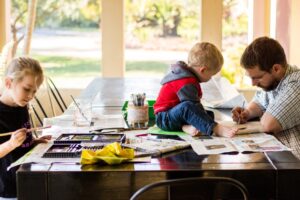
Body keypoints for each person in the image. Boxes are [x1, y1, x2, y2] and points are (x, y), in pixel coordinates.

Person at [231, 36, 300, 159]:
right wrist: (246, 113)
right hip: (282, 158)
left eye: (257, 77)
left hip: (294, 164)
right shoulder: (273, 82)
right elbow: (260, 101)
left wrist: (263, 115)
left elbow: (269, 125)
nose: (253, 83)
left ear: (276, 69)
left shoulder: (296, 84)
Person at [154, 42, 238, 137]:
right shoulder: (185, 81)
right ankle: (216, 129)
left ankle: (185, 127)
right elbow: (192, 107)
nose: (210, 79)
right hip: (164, 119)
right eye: (211, 75)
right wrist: (214, 125)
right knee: (189, 107)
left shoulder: (188, 75)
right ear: (203, 70)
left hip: (175, 115)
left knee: (208, 114)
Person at [0, 57, 51, 199]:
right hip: (8, 190)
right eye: (27, 89)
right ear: (8, 83)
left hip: (26, 180)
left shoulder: (21, 104)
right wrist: (11, 144)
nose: (30, 96)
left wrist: (33, 142)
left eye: (34, 91)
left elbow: (22, 142)